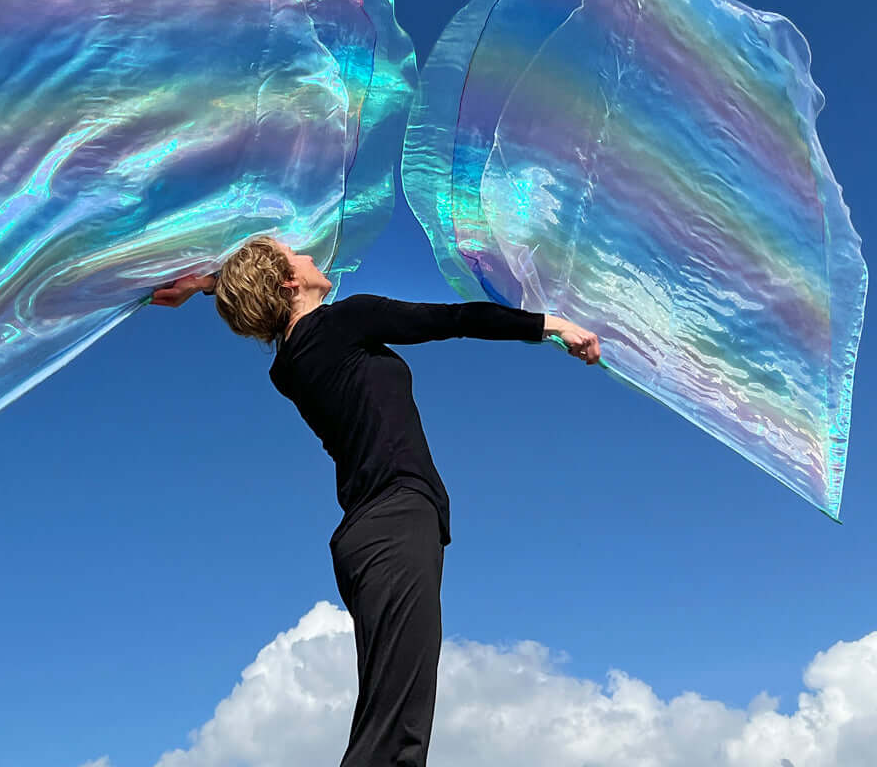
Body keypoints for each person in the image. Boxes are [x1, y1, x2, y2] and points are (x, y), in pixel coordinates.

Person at [151, 236, 600, 767]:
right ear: (289, 283)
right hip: (393, 524)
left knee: (393, 726)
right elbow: (454, 318)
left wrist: (206, 284)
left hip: (373, 535)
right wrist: (551, 325)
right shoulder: (345, 321)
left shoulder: (289, 365)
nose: (310, 253)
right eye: (296, 254)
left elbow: (261, 284)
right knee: (395, 737)